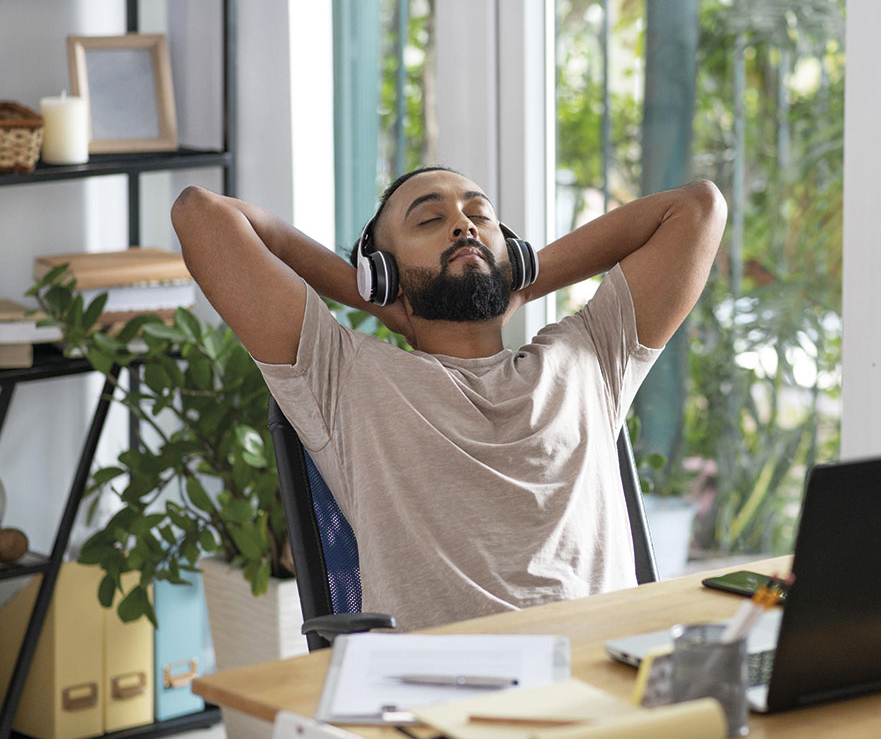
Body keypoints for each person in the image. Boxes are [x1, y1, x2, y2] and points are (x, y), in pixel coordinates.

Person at [171, 166, 726, 630]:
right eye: (430, 220)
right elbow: (202, 214)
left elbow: (697, 208)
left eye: (479, 216)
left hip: (604, 688)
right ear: (382, 272)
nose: (463, 225)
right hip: (446, 699)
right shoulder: (346, 378)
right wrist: (372, 296)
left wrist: (520, 277)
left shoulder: (589, 357)